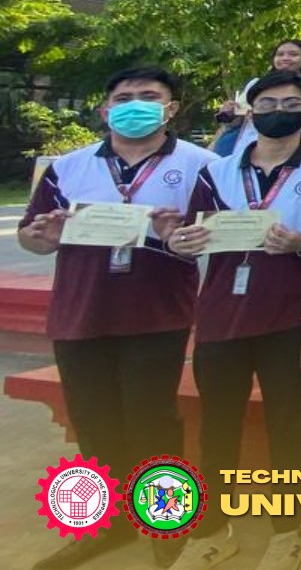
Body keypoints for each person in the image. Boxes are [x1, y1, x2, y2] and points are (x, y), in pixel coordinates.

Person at [19, 66, 216, 570]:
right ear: (106, 109)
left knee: (154, 421)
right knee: (93, 422)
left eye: (148, 96)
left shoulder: (203, 166)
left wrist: (179, 238)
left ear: (171, 108)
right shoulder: (69, 167)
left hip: (156, 314)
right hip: (80, 312)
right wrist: (43, 237)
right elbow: (32, 237)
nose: (135, 105)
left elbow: (216, 240)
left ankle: (166, 522)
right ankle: (102, 524)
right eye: (123, 97)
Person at [165, 71, 301, 570]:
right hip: (221, 317)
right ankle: (211, 531)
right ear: (250, 110)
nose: (277, 111)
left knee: (287, 428)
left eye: (290, 103)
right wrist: (180, 243)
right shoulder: (218, 172)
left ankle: (289, 532)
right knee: (217, 427)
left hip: (288, 319)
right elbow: (191, 235)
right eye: (266, 103)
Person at [220, 39, 301, 157]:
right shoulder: (256, 84)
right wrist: (229, 112)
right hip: (248, 146)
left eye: (293, 54)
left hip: (293, 151)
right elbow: (238, 120)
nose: (285, 58)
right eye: (280, 54)